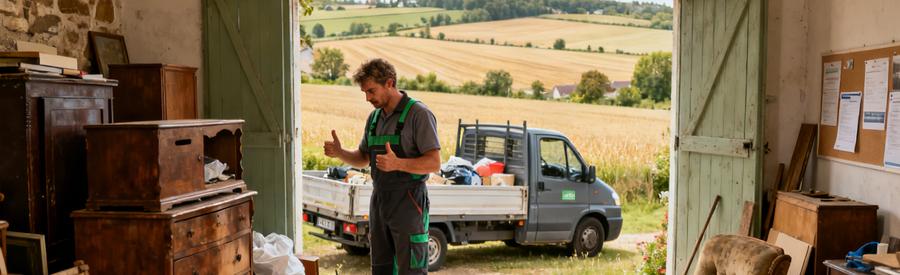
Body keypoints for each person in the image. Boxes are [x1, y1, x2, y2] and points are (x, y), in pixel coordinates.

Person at [323, 58, 441, 275]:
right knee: (381, 267)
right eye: (365, 93)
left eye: (371, 91)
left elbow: (434, 162)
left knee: (411, 269)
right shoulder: (375, 118)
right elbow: (364, 158)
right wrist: (340, 153)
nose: (368, 98)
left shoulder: (419, 114)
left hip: (409, 202)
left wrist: (398, 163)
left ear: (389, 83)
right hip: (379, 201)